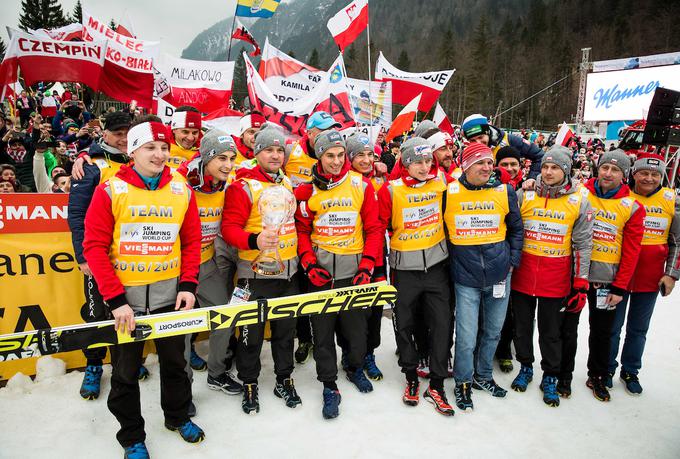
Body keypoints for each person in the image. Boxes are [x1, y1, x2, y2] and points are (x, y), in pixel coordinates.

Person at [82, 116, 205, 458]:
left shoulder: (181, 188)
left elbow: (192, 241)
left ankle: (178, 417)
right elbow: (93, 246)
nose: (159, 154)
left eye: (164, 147)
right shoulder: (111, 190)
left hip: (170, 298)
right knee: (124, 373)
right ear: (133, 150)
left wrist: (188, 285)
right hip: (126, 303)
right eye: (150, 147)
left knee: (176, 364)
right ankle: (132, 436)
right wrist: (116, 299)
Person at [294, 129, 383, 419]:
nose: (335, 161)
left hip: (353, 271)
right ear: (319, 155)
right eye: (329, 155)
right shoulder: (308, 190)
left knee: (356, 333)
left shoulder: (360, 185)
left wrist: (368, 263)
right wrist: (308, 261)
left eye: (340, 155)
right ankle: (329, 384)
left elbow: (373, 228)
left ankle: (354, 366)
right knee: (322, 334)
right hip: (320, 273)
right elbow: (302, 231)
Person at [68, 111, 151, 401]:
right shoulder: (90, 164)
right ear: (104, 133)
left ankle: (124, 364)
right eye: (117, 132)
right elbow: (77, 214)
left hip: (131, 255)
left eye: (128, 131)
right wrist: (82, 256)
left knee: (127, 311)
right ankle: (93, 366)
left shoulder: (139, 159)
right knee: (96, 314)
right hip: (98, 254)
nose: (124, 137)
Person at [222, 126, 302, 415]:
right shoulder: (242, 185)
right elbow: (228, 228)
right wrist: (253, 240)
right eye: (269, 149)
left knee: (285, 331)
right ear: (257, 153)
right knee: (250, 334)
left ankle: (284, 378)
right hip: (255, 275)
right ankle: (249, 381)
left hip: (288, 272)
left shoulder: (287, 183)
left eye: (280, 150)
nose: (276, 155)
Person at [508, 146, 594, 407]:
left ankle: (550, 375)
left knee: (551, 332)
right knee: (521, 327)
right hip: (523, 275)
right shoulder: (526, 193)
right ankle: (525, 366)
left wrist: (580, 282)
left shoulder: (579, 198)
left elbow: (582, 244)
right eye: (545, 167)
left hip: (555, 279)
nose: (547, 172)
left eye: (554, 167)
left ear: (566, 170)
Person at [443, 142, 524, 411]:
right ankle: (463, 381)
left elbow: (516, 229)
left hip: (500, 275)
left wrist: (512, 261)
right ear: (466, 166)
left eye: (490, 163)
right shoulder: (450, 192)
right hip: (466, 278)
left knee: (492, 332)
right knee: (466, 336)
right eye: (480, 163)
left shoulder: (505, 191)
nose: (488, 167)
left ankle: (483, 376)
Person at [560, 149, 645, 402]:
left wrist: (620, 287)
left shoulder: (631, 206)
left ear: (624, 174)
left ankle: (596, 375)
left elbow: (631, 251)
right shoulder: (579, 192)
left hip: (606, 280)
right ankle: (564, 374)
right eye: (605, 167)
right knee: (568, 329)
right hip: (575, 275)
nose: (608, 173)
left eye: (615, 170)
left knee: (602, 332)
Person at [378, 137, 454, 415]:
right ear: (406, 163)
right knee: (404, 326)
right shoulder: (391, 190)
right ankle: (410, 376)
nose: (424, 167)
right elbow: (378, 227)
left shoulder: (443, 182)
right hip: (404, 270)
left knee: (443, 324)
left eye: (427, 161)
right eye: (417, 162)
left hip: (436, 268)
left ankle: (436, 383)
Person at [176, 129, 244, 398]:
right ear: (205, 158)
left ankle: (217, 373)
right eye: (221, 159)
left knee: (225, 317)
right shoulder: (179, 180)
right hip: (176, 269)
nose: (228, 165)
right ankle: (182, 388)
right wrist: (87, 155)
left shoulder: (231, 180)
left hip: (206, 262)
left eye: (232, 158)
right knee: (181, 330)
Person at [608, 157, 680, 394]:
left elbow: (677, 242)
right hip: (619, 274)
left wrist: (671, 274)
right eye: (644, 173)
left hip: (650, 277)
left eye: (655, 174)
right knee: (612, 327)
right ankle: (606, 367)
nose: (649, 178)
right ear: (634, 174)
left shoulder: (671, 199)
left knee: (638, 329)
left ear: (662, 177)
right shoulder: (622, 195)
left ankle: (630, 370)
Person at [343, 132, 387, 381]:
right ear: (349, 158)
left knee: (374, 310)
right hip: (352, 255)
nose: (367, 159)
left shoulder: (381, 180)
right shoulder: (345, 182)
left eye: (370, 154)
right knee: (353, 312)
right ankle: (350, 354)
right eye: (360, 154)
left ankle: (369, 354)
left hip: (378, 255)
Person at [493, 144, 525, 372]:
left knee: (513, 308)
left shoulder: (529, 187)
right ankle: (492, 346)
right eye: (504, 164)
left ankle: (505, 349)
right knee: (495, 305)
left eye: (514, 164)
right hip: (496, 255)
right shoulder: (492, 185)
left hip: (520, 256)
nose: (510, 168)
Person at [461, 114, 544, 178]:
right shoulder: (467, 151)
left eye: (481, 137)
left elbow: (540, 156)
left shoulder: (509, 139)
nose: (478, 143)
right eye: (472, 140)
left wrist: (532, 178)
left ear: (488, 132)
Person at [286, 111, 340, 187]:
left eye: (331, 131)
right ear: (309, 133)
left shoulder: (339, 155)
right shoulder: (290, 149)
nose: (328, 135)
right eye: (324, 131)